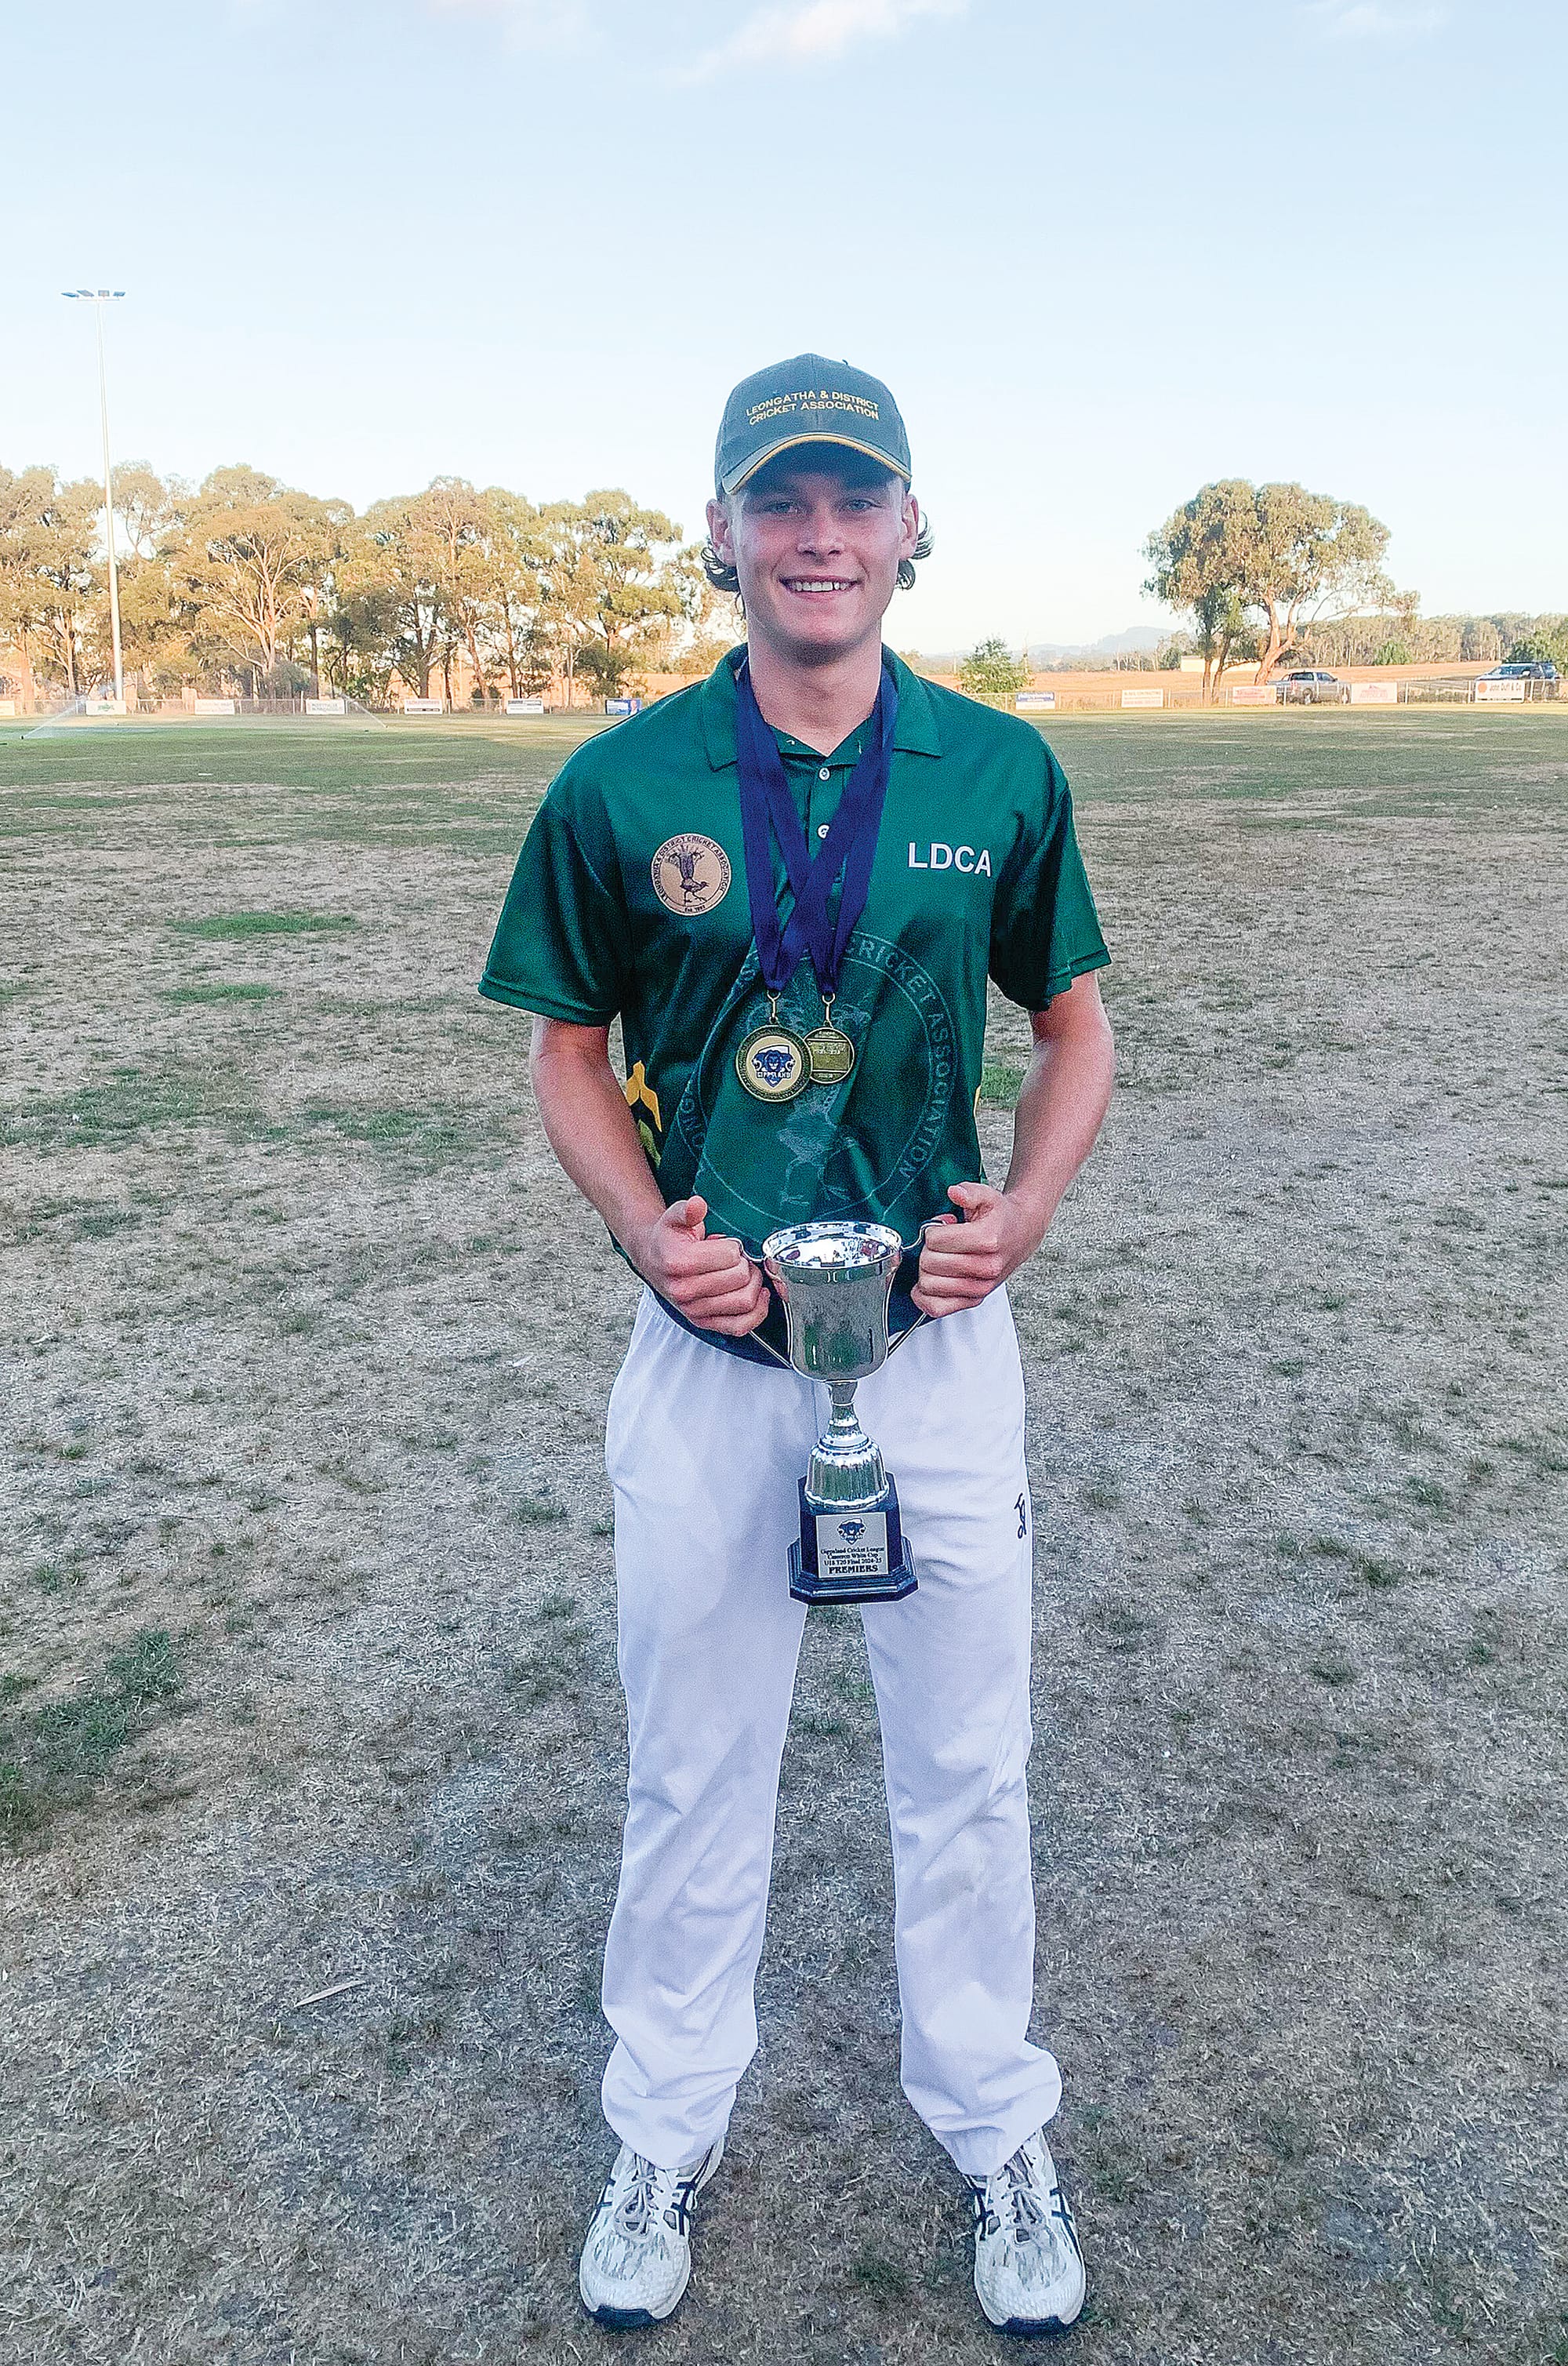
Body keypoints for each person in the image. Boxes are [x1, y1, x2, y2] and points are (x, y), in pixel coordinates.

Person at [478, 354, 1116, 2336]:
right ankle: (664, 2118)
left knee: (966, 1761)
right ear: (727, 533)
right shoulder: (624, 779)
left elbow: (1076, 1025)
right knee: (695, 1763)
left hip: (929, 1351)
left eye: (856, 499)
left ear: (914, 528)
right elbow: (565, 1050)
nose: (820, 535)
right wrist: (641, 1237)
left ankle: (992, 2116)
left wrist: (1020, 1211)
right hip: (714, 1358)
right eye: (783, 501)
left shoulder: (999, 766)